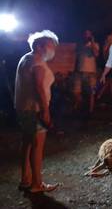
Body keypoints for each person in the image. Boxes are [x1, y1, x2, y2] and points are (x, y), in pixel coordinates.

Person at [15, 30, 59, 193]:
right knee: (37, 146)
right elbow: (39, 87)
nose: (53, 49)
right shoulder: (38, 62)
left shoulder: (26, 58)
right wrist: (45, 111)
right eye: (50, 46)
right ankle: (37, 184)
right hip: (35, 109)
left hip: (23, 108)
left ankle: (26, 179)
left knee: (27, 143)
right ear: (40, 46)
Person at [73, 30, 99, 115]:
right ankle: (79, 108)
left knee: (91, 92)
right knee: (76, 92)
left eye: (88, 34)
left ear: (91, 35)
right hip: (79, 71)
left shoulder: (95, 44)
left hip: (91, 71)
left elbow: (96, 54)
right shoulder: (79, 45)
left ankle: (91, 111)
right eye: (85, 34)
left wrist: (92, 42)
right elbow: (76, 57)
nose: (86, 36)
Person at [96, 26, 112, 102]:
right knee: (109, 80)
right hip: (110, 62)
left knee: (111, 80)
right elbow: (105, 49)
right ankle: (99, 94)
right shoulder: (110, 38)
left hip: (111, 61)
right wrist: (106, 60)